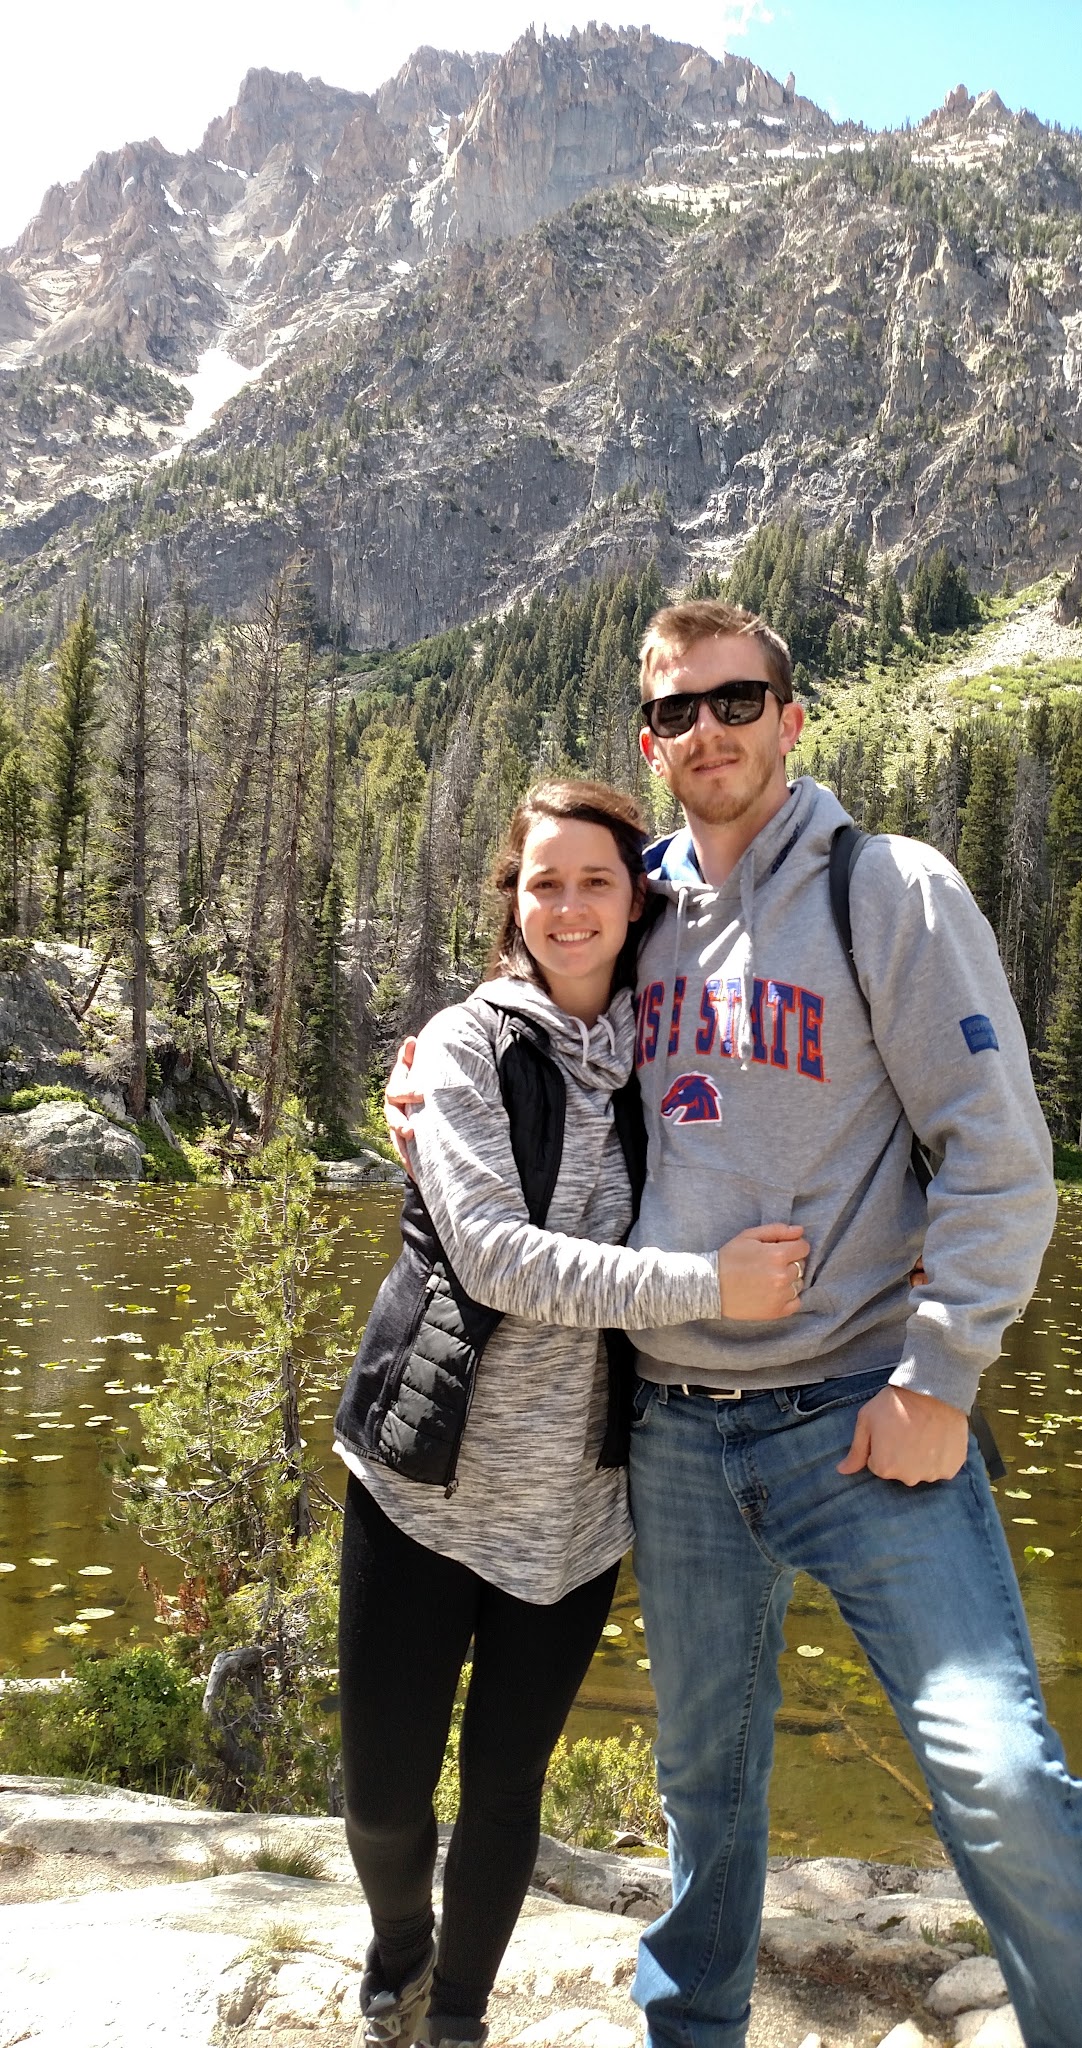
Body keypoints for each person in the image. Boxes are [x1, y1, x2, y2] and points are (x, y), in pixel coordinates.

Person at [388, 603, 1082, 2048]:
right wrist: (423, 1067)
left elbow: (999, 1155)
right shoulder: (645, 904)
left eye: (738, 701)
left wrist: (942, 1373)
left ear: (794, 719)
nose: (709, 732)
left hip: (861, 1418)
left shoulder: (888, 890)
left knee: (996, 1769)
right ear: (650, 740)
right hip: (674, 1434)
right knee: (706, 1794)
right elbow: (533, 1007)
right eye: (677, 713)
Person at [335, 778, 808, 2048]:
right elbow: (495, 1255)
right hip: (423, 1478)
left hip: (582, 1503)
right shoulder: (464, 1046)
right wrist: (714, 1287)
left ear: (635, 898)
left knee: (504, 1787)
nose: (570, 904)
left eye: (598, 879)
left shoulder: (670, 1055)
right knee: (382, 1790)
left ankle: (460, 2018)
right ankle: (399, 1943)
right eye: (545, 880)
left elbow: (800, 1119)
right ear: (514, 901)